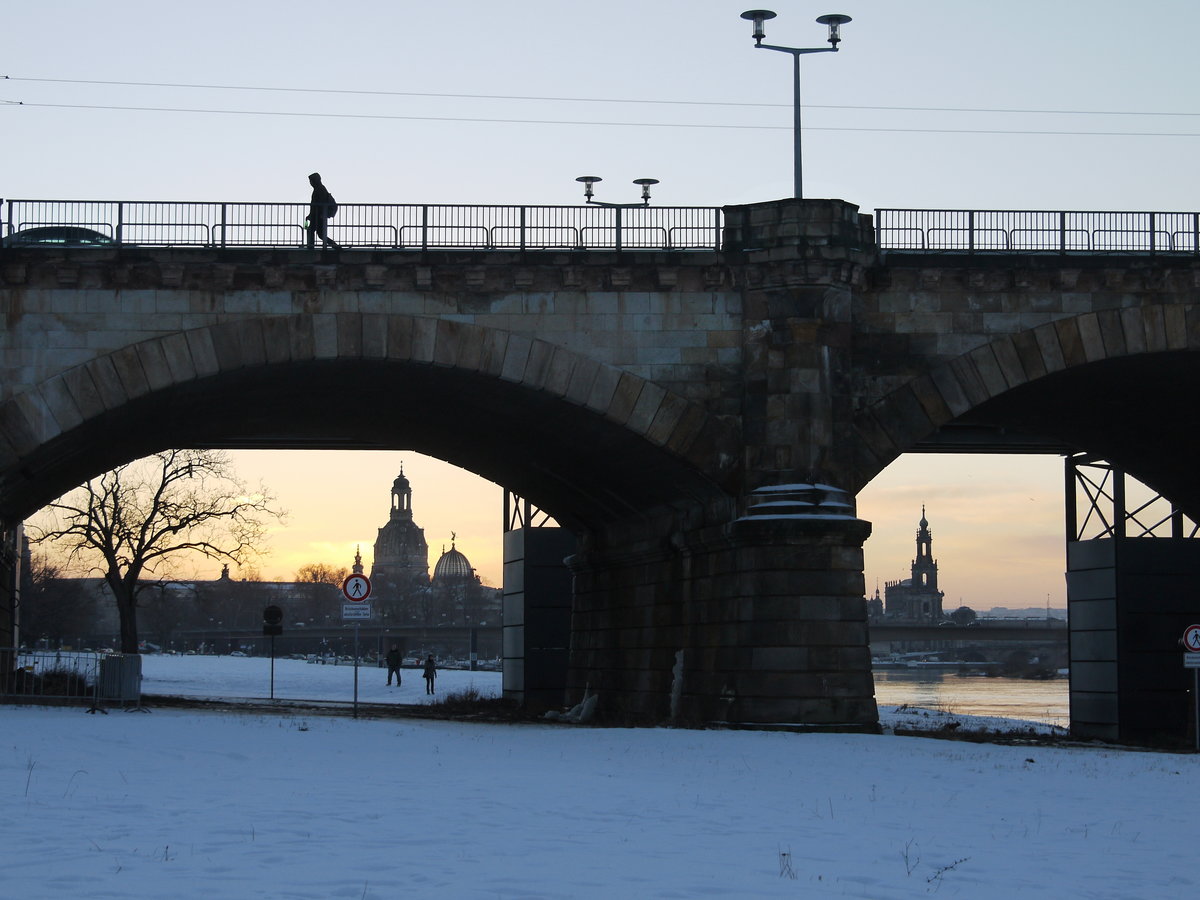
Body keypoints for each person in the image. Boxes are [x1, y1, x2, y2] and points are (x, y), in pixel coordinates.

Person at [305, 172, 340, 249]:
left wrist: (314, 215)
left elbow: (318, 205)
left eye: (311, 181)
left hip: (319, 216)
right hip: (319, 215)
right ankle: (335, 246)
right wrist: (310, 215)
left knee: (312, 231)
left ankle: (310, 247)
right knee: (320, 234)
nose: (310, 183)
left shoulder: (320, 189)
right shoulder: (319, 189)